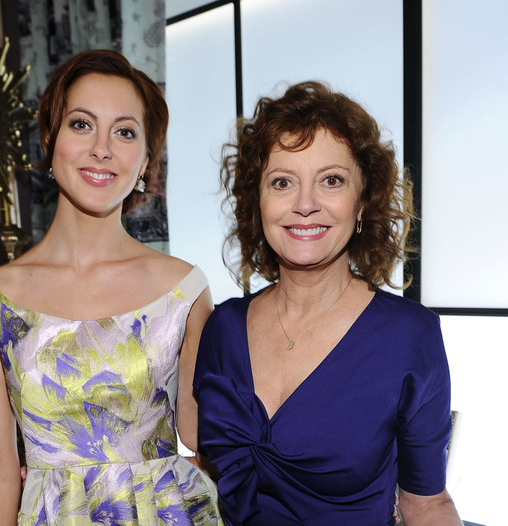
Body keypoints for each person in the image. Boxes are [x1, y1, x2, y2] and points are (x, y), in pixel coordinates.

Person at [0, 50, 222, 525]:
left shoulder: (183, 289)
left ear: (146, 161)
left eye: (124, 132)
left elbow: (206, 436)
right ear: (51, 140)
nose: (101, 148)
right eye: (81, 124)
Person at [192, 81, 463, 525]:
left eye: (331, 181)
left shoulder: (409, 336)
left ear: (363, 201)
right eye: (282, 182)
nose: (305, 205)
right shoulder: (222, 328)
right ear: (258, 201)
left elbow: (427, 504)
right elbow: (207, 472)